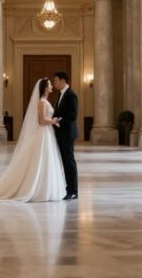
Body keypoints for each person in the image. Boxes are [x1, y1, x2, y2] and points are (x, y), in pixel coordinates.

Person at [51, 71, 79, 200]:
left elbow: (73, 115)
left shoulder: (71, 94)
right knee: (65, 162)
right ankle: (68, 189)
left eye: (56, 81)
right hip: (62, 133)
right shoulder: (61, 94)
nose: (54, 83)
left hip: (67, 133)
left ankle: (73, 191)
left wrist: (58, 120)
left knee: (69, 162)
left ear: (63, 81)